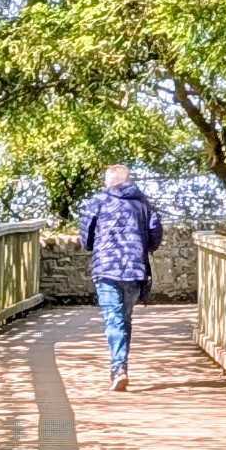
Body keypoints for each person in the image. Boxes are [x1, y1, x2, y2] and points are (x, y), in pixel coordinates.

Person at [79, 164, 167, 389]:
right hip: (135, 270)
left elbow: (86, 240)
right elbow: (156, 235)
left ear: (109, 181)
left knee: (114, 318)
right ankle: (120, 366)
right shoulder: (143, 204)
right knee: (124, 319)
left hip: (106, 268)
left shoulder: (98, 202)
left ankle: (119, 367)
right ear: (128, 180)